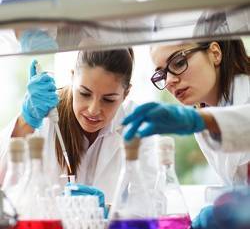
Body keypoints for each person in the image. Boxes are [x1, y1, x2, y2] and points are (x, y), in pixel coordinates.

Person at [0, 48, 158, 209]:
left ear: (126, 93)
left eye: (108, 99)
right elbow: (4, 187)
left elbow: (152, 204)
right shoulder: (45, 115)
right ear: (72, 77)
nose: (93, 110)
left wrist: (107, 211)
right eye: (84, 93)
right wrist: (25, 122)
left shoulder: (137, 126)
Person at [122, 10, 250, 187]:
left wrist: (201, 121)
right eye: (161, 74)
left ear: (215, 53)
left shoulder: (240, 97)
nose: (169, 81)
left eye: (179, 62)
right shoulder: (203, 117)